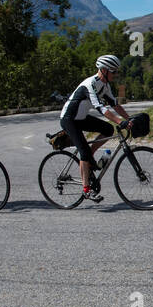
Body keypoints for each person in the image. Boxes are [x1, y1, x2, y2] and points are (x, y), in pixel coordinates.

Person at [61, 55, 131, 203]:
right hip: (69, 119)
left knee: (108, 129)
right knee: (84, 153)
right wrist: (119, 121)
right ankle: (86, 190)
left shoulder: (105, 85)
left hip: (81, 118)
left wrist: (128, 119)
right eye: (113, 71)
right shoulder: (91, 84)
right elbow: (100, 107)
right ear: (104, 70)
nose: (115, 74)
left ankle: (90, 159)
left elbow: (115, 104)